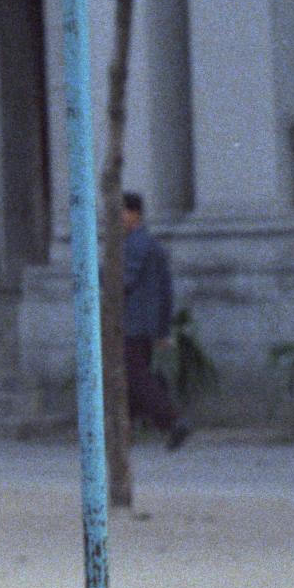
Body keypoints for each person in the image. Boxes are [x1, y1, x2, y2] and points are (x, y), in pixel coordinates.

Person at [121, 192, 190, 450]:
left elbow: (122, 280)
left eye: (120, 212)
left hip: (132, 323)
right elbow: (165, 291)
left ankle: (172, 422)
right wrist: (161, 329)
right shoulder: (151, 244)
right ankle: (123, 427)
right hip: (144, 323)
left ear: (133, 213)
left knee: (136, 376)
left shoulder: (135, 245)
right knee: (132, 376)